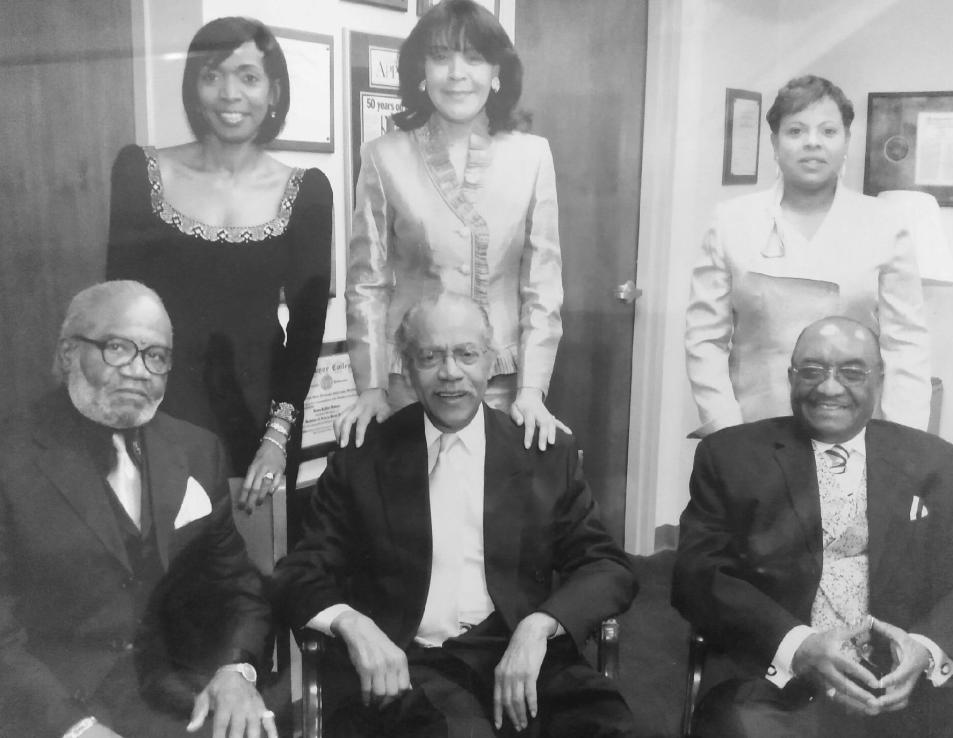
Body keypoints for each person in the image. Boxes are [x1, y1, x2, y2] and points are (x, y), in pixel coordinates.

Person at [273, 293, 638, 738]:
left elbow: (607, 567)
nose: (450, 373)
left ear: (490, 362)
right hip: (410, 664)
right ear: (406, 369)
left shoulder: (542, 454)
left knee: (611, 726)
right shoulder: (363, 460)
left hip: (524, 654)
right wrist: (354, 625)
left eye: (466, 354)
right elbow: (298, 572)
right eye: (430, 356)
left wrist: (540, 626)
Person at [0, 281, 277, 738]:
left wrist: (234, 672)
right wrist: (73, 728)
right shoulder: (11, 457)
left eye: (156, 356)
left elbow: (238, 587)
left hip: (176, 696)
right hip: (51, 710)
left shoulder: (196, 450)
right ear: (69, 352)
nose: (138, 370)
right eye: (117, 347)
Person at [672, 316, 953, 737]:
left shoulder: (936, 462)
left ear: (879, 380)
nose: (829, 387)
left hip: (906, 686)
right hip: (775, 683)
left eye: (852, 372)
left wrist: (928, 649)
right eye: (811, 371)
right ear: (790, 378)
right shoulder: (730, 456)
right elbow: (697, 576)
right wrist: (799, 645)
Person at [106, 16, 332, 510]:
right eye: (212, 75)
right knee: (165, 572)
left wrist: (278, 438)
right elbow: (115, 312)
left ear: (274, 92)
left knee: (253, 572)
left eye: (248, 77)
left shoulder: (308, 192)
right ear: (194, 86)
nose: (230, 94)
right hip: (158, 412)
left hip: (259, 421)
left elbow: (308, 328)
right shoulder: (139, 174)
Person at [335, 0, 566, 453]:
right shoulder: (384, 156)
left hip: (501, 382)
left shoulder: (533, 156)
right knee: (409, 510)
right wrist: (371, 386)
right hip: (411, 379)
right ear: (421, 72)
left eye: (474, 57)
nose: (457, 73)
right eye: (441, 57)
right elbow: (367, 284)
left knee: (493, 511)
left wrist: (532, 390)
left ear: (497, 72)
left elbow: (543, 284)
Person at [685, 75, 929, 438]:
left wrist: (901, 440)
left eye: (828, 132)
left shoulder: (884, 224)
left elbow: (906, 343)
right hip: (754, 424)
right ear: (774, 142)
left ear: (846, 141)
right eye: (796, 131)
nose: (812, 143)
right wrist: (725, 428)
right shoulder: (732, 221)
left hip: (854, 426)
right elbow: (705, 338)